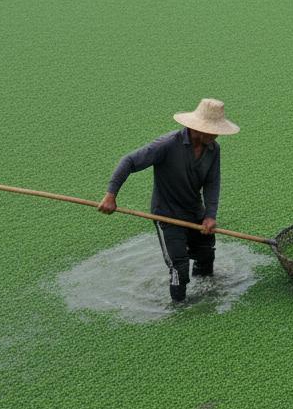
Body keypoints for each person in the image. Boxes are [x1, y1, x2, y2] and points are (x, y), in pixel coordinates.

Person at [100, 98, 240, 302]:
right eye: (213, 129)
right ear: (198, 128)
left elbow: (212, 183)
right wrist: (111, 195)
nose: (216, 134)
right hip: (167, 214)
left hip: (194, 211)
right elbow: (129, 161)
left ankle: (208, 294)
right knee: (179, 266)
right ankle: (180, 308)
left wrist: (210, 215)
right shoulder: (167, 145)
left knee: (206, 253)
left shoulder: (213, 149)